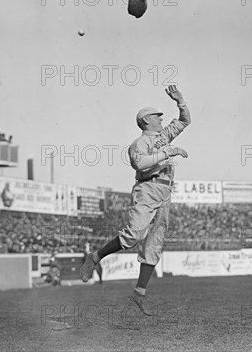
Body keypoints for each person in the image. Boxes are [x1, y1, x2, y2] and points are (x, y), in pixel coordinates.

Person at [79, 85, 191, 315]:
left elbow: (184, 120)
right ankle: (95, 257)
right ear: (145, 121)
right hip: (148, 188)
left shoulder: (164, 135)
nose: (161, 120)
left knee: (155, 244)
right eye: (156, 117)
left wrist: (180, 100)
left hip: (165, 191)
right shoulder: (138, 144)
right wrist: (169, 152)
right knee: (133, 235)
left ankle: (139, 293)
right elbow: (140, 164)